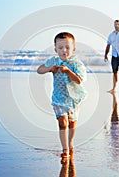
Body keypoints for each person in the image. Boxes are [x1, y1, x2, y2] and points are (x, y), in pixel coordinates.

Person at [37, 32, 87, 161]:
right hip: (58, 98)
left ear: (73, 48)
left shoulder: (77, 64)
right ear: (56, 49)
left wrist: (68, 71)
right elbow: (39, 70)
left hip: (73, 99)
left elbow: (79, 80)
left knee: (72, 123)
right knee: (62, 122)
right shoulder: (54, 61)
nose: (64, 51)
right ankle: (65, 149)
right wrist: (50, 69)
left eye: (67, 47)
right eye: (60, 48)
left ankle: (70, 143)